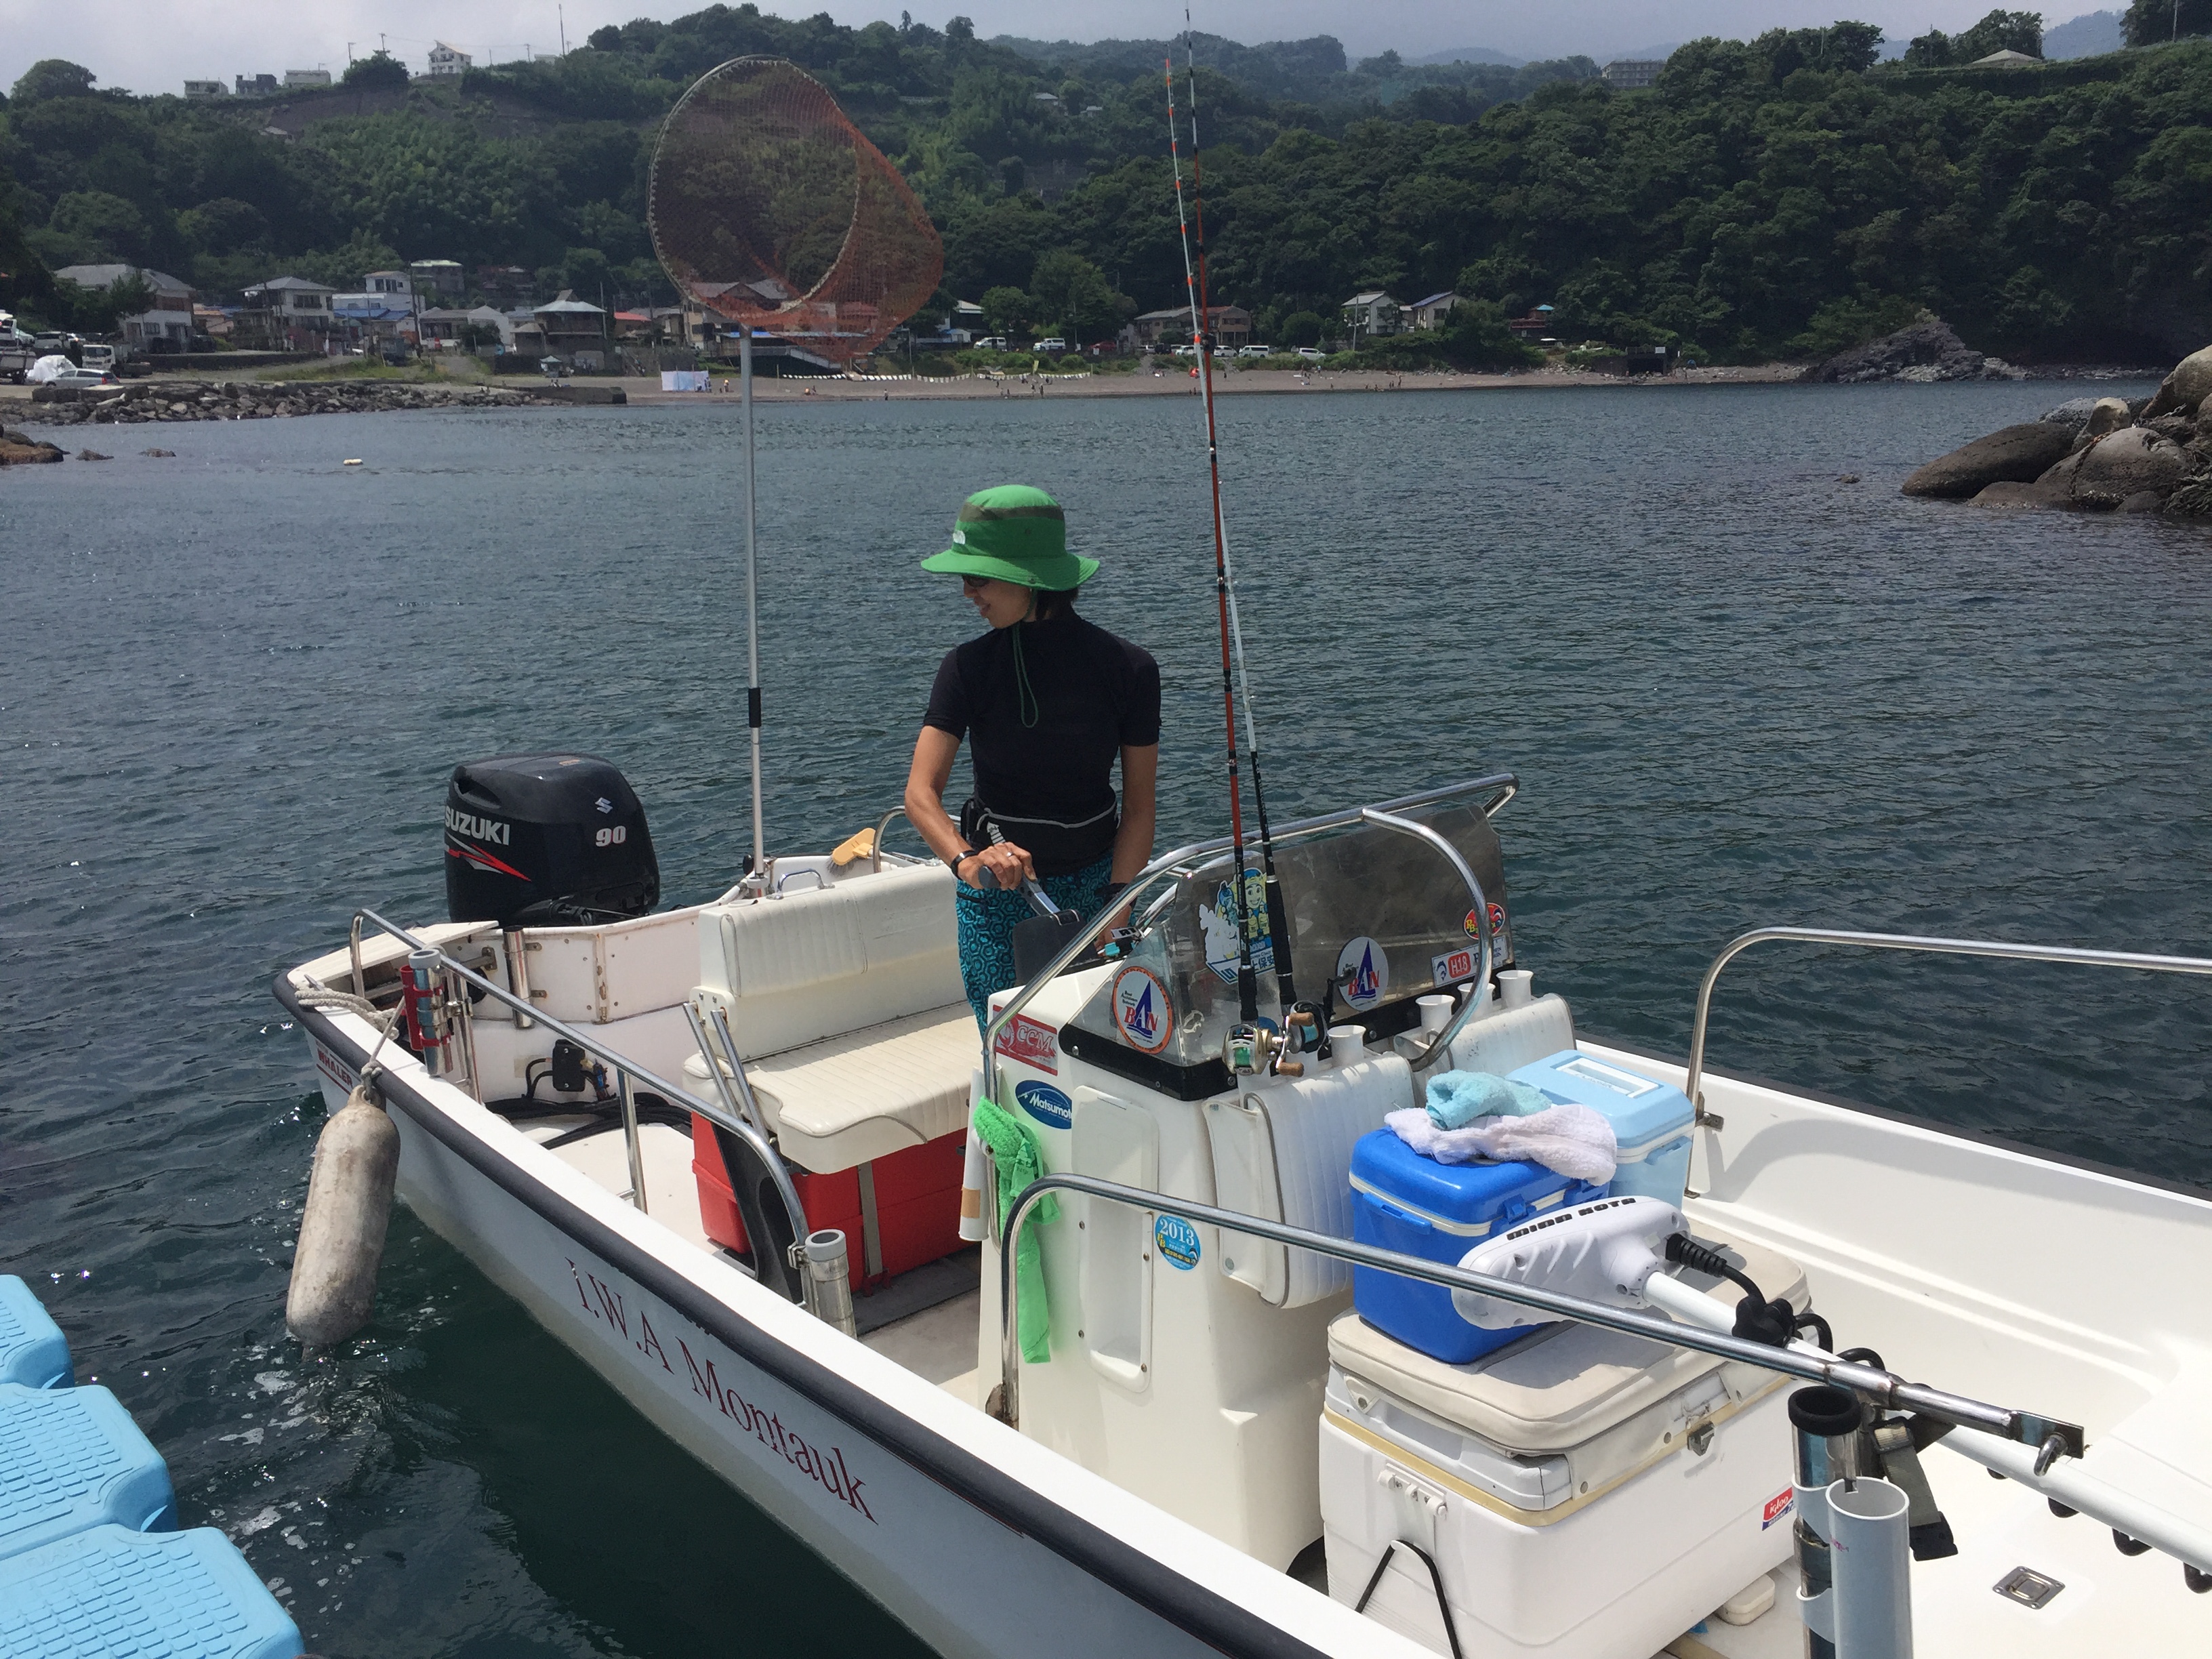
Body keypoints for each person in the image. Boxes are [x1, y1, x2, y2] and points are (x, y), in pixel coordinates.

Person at [903, 485, 1160, 1031]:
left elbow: (1139, 809)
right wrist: (967, 862)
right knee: (1008, 1051)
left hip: (1099, 892)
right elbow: (920, 795)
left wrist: (1118, 906)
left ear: (1026, 575)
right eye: (962, 578)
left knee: (1101, 1049)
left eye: (977, 577)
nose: (966, 592)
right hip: (995, 898)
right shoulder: (965, 668)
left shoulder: (1130, 670)